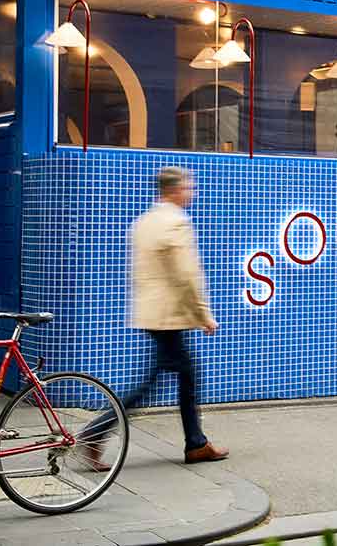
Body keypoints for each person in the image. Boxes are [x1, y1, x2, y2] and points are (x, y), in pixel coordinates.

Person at [82, 166, 228, 467]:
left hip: (151, 313)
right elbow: (187, 275)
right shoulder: (176, 222)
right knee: (157, 382)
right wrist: (204, 314)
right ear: (174, 190)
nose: (192, 193)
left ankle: (196, 443)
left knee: (182, 375)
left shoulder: (144, 222)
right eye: (188, 188)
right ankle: (95, 432)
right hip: (168, 315)